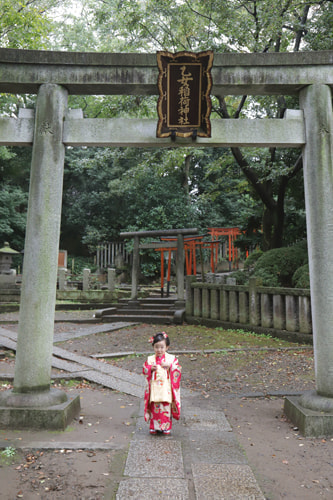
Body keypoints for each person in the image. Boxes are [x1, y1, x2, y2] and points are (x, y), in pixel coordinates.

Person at [143, 331, 181, 435]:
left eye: (162, 347)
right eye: (156, 347)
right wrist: (150, 368)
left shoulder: (171, 359)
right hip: (154, 389)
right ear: (153, 347)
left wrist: (170, 366)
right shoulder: (150, 359)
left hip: (166, 389)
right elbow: (144, 369)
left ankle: (165, 427)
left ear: (167, 347)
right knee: (155, 407)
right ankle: (154, 427)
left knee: (165, 407)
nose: (159, 350)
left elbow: (178, 369)